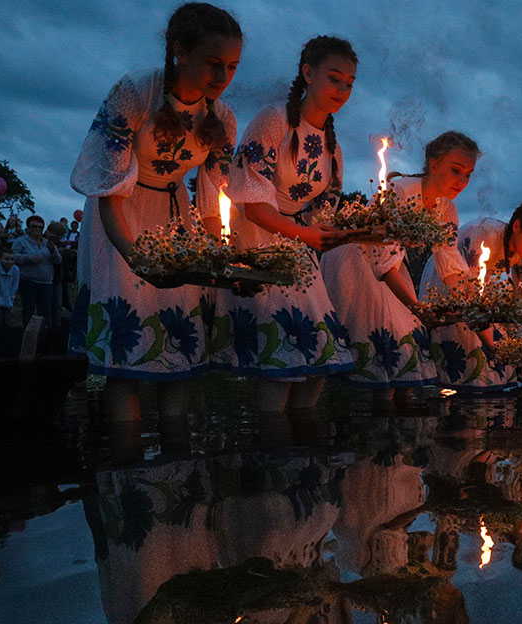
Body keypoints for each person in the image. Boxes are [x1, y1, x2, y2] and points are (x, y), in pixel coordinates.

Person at [69, 2, 243, 429]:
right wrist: (133, 256)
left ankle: (177, 458)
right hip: (120, 215)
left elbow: (212, 202)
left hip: (174, 215)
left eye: (233, 67)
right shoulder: (136, 94)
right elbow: (109, 188)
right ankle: (126, 458)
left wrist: (217, 262)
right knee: (127, 337)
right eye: (213, 64)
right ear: (180, 50)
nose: (222, 79)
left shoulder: (222, 118)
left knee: (177, 334)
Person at [214, 35, 359, 414]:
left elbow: (323, 213)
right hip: (261, 242)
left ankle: (301, 443)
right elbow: (253, 207)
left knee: (320, 356)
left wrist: (353, 231)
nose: (342, 90)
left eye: (349, 83)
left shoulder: (333, 147)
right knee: (281, 358)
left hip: (299, 243)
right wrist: (307, 234)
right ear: (308, 73)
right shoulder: (273, 121)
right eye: (334, 78)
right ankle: (272, 444)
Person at [318, 181, 446, 408]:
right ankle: (383, 425)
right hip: (361, 269)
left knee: (405, 348)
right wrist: (418, 308)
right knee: (385, 337)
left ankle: (401, 422)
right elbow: (385, 265)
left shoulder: (434, 202)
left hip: (389, 266)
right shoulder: (400, 193)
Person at [414, 132, 519, 392]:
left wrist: (475, 310)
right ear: (433, 163)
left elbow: (450, 262)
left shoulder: (447, 208)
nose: (462, 181)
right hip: (368, 265)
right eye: (456, 170)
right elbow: (387, 257)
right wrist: (414, 306)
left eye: (468, 174)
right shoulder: (403, 190)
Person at [456, 200, 522, 386]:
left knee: (501, 374)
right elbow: (468, 291)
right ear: (517, 226)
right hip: (454, 289)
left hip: (480, 305)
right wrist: (494, 347)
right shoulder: (482, 234)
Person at [11, 215, 63, 325]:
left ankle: (45, 336)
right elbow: (13, 257)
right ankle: (28, 335)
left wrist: (53, 250)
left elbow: (58, 260)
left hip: (46, 282)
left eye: (40, 227)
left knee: (45, 312)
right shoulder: (20, 241)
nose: (38, 229)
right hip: (28, 280)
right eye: (34, 226)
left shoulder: (47, 243)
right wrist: (28, 258)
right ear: (28, 228)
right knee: (28, 310)